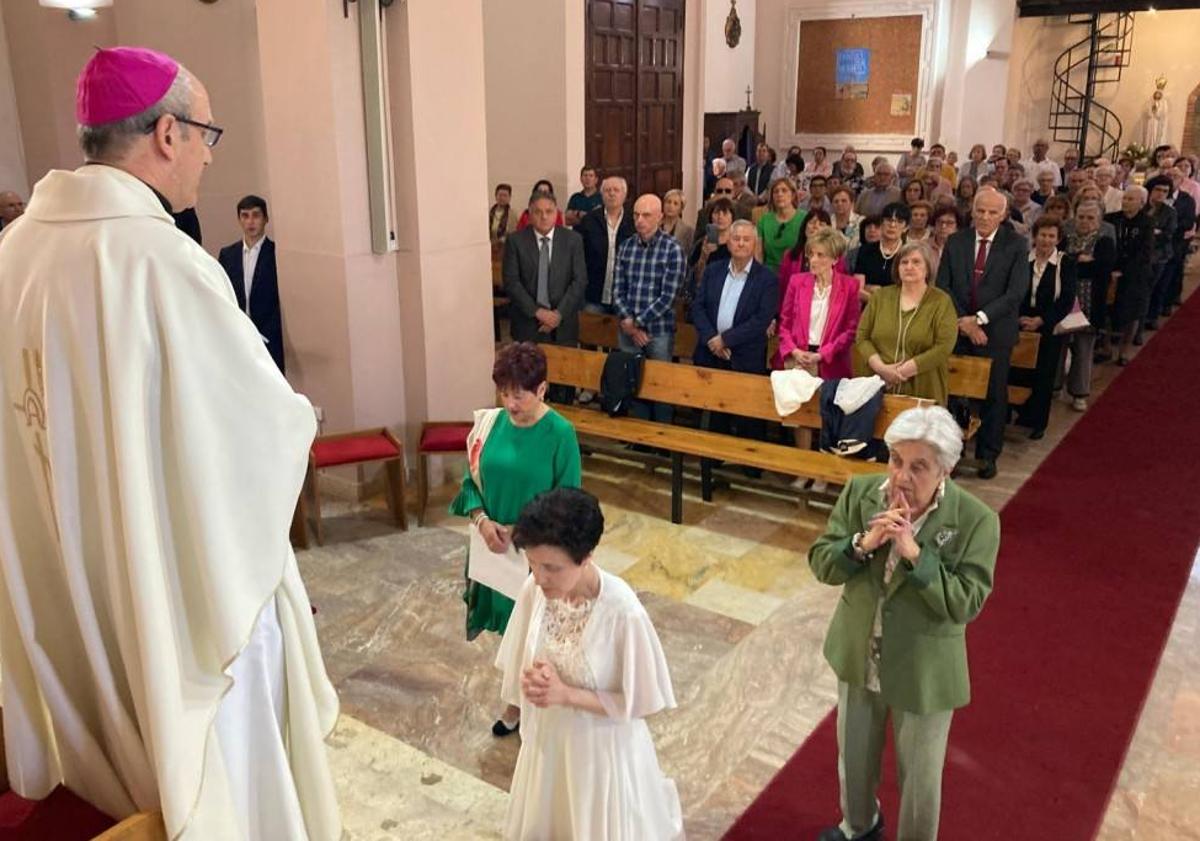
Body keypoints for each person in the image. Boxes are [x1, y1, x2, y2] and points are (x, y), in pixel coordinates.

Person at [0, 46, 340, 839]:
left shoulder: (12, 253)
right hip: (171, 587)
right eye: (205, 133)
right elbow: (255, 428)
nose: (209, 153)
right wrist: (299, 417)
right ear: (165, 132)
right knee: (224, 710)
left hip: (61, 570)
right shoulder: (162, 260)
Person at [810, 406, 1000, 841]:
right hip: (860, 650)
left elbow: (966, 603)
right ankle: (859, 827)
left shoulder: (976, 522)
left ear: (946, 470)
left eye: (919, 467)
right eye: (896, 460)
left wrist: (917, 556)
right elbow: (822, 563)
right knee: (854, 760)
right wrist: (862, 544)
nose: (902, 477)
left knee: (919, 780)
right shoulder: (861, 494)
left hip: (924, 665)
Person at [499, 487, 682, 840]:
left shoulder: (622, 613)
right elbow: (523, 654)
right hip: (548, 745)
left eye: (552, 567)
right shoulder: (534, 590)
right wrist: (535, 679)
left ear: (587, 557)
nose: (539, 577)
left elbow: (638, 703)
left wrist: (566, 694)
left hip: (599, 757)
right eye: (532, 563)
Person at [451, 342, 582, 736]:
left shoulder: (560, 433)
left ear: (541, 390)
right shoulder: (489, 425)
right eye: (504, 392)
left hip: (537, 556)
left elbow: (570, 500)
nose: (510, 402)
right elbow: (469, 482)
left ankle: (523, 705)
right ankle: (518, 700)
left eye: (519, 393)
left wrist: (525, 534)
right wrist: (483, 520)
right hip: (495, 550)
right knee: (510, 633)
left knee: (534, 632)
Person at [936, 188, 1031, 479]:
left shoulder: (1015, 244)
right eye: (980, 211)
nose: (985, 217)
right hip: (958, 329)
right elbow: (944, 286)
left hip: (995, 333)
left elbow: (1015, 293)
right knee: (954, 394)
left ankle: (988, 455)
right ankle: (952, 453)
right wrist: (965, 322)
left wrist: (978, 320)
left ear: (1003, 215)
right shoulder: (957, 240)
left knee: (993, 395)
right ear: (972, 211)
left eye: (992, 212)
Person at [692, 220, 779, 452]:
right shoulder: (713, 270)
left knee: (747, 414)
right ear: (728, 242)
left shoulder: (767, 279)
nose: (740, 243)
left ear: (755, 244)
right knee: (715, 413)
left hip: (745, 356)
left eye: (746, 239)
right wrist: (713, 339)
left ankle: (749, 465)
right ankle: (714, 459)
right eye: (736, 238)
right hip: (711, 353)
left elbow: (761, 320)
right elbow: (697, 307)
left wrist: (726, 339)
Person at [502, 192, 588, 404]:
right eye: (538, 212)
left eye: (548, 212)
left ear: (556, 213)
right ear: (529, 214)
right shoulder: (516, 241)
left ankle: (560, 434)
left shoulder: (572, 240)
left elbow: (579, 281)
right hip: (528, 324)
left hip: (563, 325)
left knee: (563, 389)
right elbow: (512, 282)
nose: (543, 217)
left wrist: (557, 315)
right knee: (528, 387)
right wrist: (538, 312)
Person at [613, 194, 686, 423]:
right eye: (636, 215)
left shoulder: (672, 248)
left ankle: (662, 436)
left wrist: (636, 323)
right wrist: (630, 325)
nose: (639, 220)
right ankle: (639, 434)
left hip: (659, 330)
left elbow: (668, 297)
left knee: (660, 385)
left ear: (659, 217)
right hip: (628, 328)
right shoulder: (626, 247)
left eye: (646, 215)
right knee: (632, 380)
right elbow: (617, 289)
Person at [855, 241, 958, 404]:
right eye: (904, 262)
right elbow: (862, 337)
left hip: (923, 388)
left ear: (928, 268)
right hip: (876, 386)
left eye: (916, 262)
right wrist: (882, 369)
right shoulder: (880, 297)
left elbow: (943, 347)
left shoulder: (941, 301)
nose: (909, 266)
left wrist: (901, 372)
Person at [1013, 216, 1077, 439]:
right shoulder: (1021, 259)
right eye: (1043, 235)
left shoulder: (1065, 263)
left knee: (1044, 373)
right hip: (1019, 321)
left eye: (1051, 236)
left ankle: (1037, 422)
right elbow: (1011, 290)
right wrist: (1019, 317)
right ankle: (1018, 413)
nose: (1046, 240)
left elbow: (1066, 299)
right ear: (1035, 236)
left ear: (1058, 239)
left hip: (1048, 325)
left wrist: (1041, 320)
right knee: (1018, 370)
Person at [775, 226, 859, 379]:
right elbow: (784, 324)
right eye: (811, 254)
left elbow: (850, 331)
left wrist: (822, 354)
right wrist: (794, 351)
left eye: (820, 255)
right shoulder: (796, 282)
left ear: (835, 259)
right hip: (797, 360)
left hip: (831, 363)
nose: (813, 260)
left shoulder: (850, 286)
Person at [217, 195, 284, 374]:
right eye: (245, 216)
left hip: (269, 336)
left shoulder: (276, 253)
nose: (250, 222)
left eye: (256, 215)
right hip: (239, 335)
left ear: (266, 219)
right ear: (239, 219)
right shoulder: (228, 254)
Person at [1061, 200, 1115, 406]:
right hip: (1064, 301)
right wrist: (1080, 261)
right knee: (1059, 346)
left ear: (1099, 220)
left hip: (1090, 303)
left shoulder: (1104, 241)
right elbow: (1062, 263)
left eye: (1090, 218)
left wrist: (1075, 262)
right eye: (1081, 217)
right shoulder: (1066, 238)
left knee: (1083, 350)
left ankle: (1079, 393)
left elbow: (1102, 268)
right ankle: (1055, 386)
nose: (1084, 221)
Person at [577, 175, 633, 313]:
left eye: (616, 190)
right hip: (593, 295)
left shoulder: (633, 221)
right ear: (601, 195)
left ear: (624, 195)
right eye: (608, 190)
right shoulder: (589, 220)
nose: (612, 193)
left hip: (625, 297)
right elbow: (579, 256)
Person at [1141, 175, 1177, 335]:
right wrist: (1153, 232)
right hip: (1140, 254)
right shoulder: (1142, 207)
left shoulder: (1169, 212)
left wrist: (1153, 233)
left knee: (1149, 290)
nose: (1161, 194)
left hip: (1159, 256)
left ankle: (1141, 327)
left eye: (1165, 191)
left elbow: (1168, 235)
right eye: (1158, 189)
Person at [852, 202, 909, 300]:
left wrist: (874, 291)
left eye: (899, 221)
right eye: (889, 220)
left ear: (906, 228)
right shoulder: (865, 250)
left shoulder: (908, 254)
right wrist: (877, 302)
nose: (892, 225)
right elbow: (857, 289)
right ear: (882, 223)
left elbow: (908, 292)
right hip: (869, 307)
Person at [778, 208, 834, 299]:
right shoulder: (790, 255)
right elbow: (783, 287)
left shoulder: (835, 257)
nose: (815, 226)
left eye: (821, 224)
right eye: (812, 222)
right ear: (804, 227)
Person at [688, 197, 735, 300]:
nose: (720, 217)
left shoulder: (737, 243)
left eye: (725, 213)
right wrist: (704, 256)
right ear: (710, 217)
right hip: (706, 293)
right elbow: (696, 279)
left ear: (732, 217)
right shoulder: (701, 243)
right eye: (716, 213)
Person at [755, 177, 805, 275]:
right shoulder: (764, 220)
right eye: (776, 192)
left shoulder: (805, 218)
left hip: (797, 273)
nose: (780, 194)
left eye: (784, 190)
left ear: (793, 195)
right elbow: (758, 254)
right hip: (769, 273)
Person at [661, 188, 694, 256]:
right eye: (668, 202)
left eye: (675, 204)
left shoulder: (688, 231)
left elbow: (689, 256)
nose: (671, 206)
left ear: (681, 209)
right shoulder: (655, 225)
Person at [831, 186, 863, 251]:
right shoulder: (827, 222)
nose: (839, 204)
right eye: (836, 201)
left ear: (852, 203)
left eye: (844, 201)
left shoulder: (861, 221)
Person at [489, 182, 515, 247]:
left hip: (505, 247)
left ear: (509, 197)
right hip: (489, 245)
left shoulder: (513, 214)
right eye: (500, 195)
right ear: (495, 196)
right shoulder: (489, 212)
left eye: (505, 195)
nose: (502, 198)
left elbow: (513, 233)